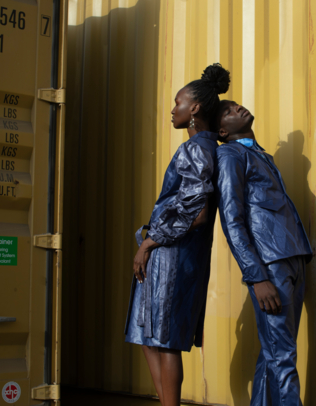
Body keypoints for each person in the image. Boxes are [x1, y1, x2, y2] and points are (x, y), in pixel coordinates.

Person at [125, 64, 230, 406]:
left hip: (173, 253)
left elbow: (198, 214)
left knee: (164, 338)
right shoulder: (204, 147)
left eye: (178, 102)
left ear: (195, 108)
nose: (173, 109)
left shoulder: (198, 148)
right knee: (148, 334)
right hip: (171, 251)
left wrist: (149, 243)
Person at [214, 100, 313, 406]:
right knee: (282, 356)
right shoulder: (230, 155)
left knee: (274, 355)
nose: (238, 108)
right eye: (229, 110)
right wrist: (256, 277)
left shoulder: (258, 154)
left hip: (292, 259)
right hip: (270, 267)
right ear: (222, 130)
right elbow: (232, 220)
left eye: (236, 105)